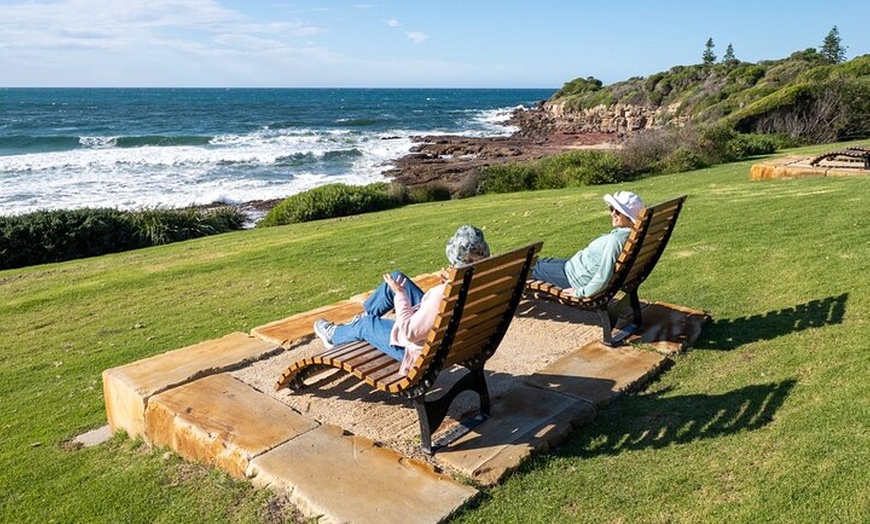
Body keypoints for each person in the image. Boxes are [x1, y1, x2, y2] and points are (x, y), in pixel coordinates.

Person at [312, 225, 491, 375]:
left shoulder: (442, 294)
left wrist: (401, 296)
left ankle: (335, 335)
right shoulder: (485, 280)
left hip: (423, 352)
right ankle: (360, 321)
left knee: (368, 322)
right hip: (450, 338)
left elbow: (408, 332)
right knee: (397, 278)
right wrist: (452, 281)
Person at [531, 191, 645, 298]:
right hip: (573, 267)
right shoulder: (631, 236)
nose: (613, 214)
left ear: (630, 218)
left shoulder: (615, 241)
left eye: (618, 212)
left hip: (573, 278)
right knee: (538, 262)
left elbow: (603, 276)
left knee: (527, 268)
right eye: (612, 209)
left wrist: (580, 292)